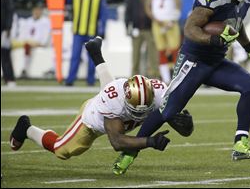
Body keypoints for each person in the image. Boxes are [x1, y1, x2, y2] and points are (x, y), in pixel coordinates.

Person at [113, 0, 250, 175]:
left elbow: (236, 24)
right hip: (194, 61)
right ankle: (130, 152)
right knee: (168, 110)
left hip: (216, 61)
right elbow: (190, 28)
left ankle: (240, 144)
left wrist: (249, 48)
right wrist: (213, 40)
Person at [10, 36, 193, 173]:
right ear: (127, 101)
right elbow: (117, 142)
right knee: (62, 150)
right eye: (136, 110)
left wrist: (185, 123)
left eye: (145, 109)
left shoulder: (160, 92)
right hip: (93, 121)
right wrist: (150, 141)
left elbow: (185, 131)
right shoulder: (114, 101)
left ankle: (95, 52)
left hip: (114, 100)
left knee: (109, 89)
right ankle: (26, 128)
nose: (141, 115)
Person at [65, 0, 108, 86]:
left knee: (92, 58)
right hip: (78, 32)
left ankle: (90, 80)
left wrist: (102, 30)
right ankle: (70, 80)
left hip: (91, 31)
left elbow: (103, 15)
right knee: (75, 56)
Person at [145, 0, 183, 84]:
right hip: (158, 22)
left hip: (170, 21)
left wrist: (173, 19)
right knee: (160, 50)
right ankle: (166, 79)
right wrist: (155, 19)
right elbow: (148, 5)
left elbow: (178, 3)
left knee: (174, 50)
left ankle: (176, 77)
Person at [125, 0, 160, 79]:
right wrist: (128, 27)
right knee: (135, 56)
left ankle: (155, 78)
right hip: (136, 29)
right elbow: (128, 11)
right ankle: (134, 79)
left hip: (150, 28)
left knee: (153, 55)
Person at [11, 3, 51, 79]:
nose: (36, 12)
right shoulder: (28, 20)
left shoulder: (45, 21)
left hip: (37, 43)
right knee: (8, 46)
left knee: (27, 45)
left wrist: (41, 43)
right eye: (35, 10)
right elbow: (23, 34)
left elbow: (45, 36)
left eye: (38, 10)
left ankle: (25, 69)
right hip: (26, 41)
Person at [1, 0, 16, 86]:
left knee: (5, 54)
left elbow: (10, 11)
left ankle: (9, 78)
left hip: (3, 30)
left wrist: (8, 27)